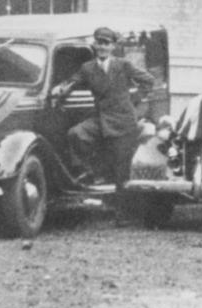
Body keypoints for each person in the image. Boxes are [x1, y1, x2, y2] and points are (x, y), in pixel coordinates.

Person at [61, 26, 158, 187]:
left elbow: (149, 80)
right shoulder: (88, 68)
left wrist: (133, 101)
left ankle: (121, 202)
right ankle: (95, 171)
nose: (102, 47)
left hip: (123, 121)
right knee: (76, 134)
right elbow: (73, 80)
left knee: (121, 170)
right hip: (101, 119)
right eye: (99, 43)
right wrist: (61, 88)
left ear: (113, 46)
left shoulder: (123, 65)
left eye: (106, 43)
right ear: (94, 45)